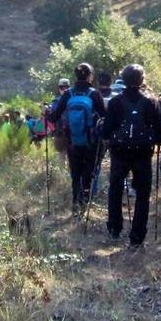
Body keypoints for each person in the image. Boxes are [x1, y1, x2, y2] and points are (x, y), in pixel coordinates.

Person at [100, 64, 161, 249]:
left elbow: (105, 132)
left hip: (119, 152)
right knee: (143, 194)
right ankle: (137, 237)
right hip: (143, 153)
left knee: (115, 189)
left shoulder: (115, 102)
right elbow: (160, 133)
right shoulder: (151, 101)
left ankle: (114, 228)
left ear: (123, 79)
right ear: (142, 80)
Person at [48, 62, 108, 214]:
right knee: (88, 172)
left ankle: (75, 203)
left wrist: (46, 112)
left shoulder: (68, 94)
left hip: (72, 141)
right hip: (90, 141)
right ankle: (85, 203)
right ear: (90, 76)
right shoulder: (94, 94)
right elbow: (105, 116)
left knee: (75, 173)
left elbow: (54, 118)